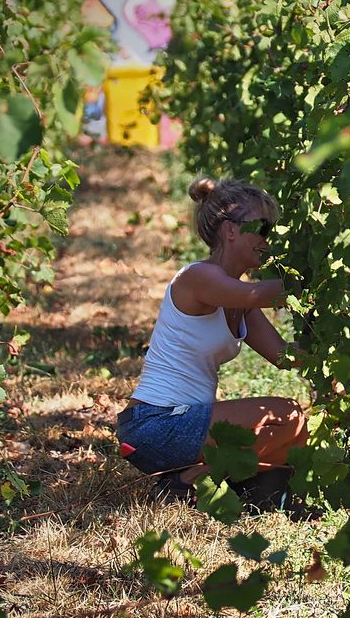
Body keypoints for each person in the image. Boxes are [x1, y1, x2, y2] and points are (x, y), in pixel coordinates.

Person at [116, 176, 308, 506]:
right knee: (286, 415)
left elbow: (285, 357)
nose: (268, 239)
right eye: (262, 228)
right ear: (231, 230)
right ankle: (186, 483)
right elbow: (261, 292)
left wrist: (342, 356)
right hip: (153, 426)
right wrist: (319, 276)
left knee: (295, 435)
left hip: (185, 426)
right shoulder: (199, 278)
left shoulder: (239, 301)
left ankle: (233, 490)